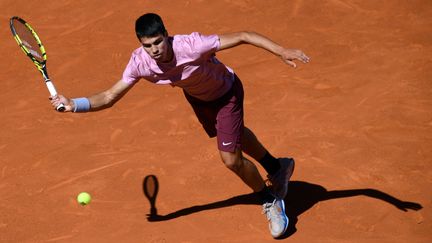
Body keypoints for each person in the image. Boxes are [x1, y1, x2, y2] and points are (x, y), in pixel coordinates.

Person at [50, 13, 310, 238]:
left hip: (227, 92)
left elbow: (243, 35)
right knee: (234, 133)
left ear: (166, 35)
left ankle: (270, 200)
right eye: (147, 45)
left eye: (157, 42)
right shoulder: (140, 62)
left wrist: (281, 50)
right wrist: (74, 103)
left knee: (230, 159)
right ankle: (278, 167)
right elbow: (109, 96)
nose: (153, 50)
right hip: (198, 99)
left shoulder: (192, 45)